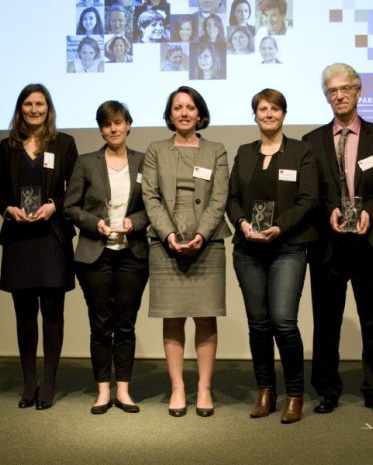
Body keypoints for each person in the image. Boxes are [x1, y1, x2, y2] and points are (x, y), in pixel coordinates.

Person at [302, 63, 373, 415]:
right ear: (326, 96)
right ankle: (327, 389)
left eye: (345, 88)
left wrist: (369, 212)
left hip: (370, 242)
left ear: (359, 91)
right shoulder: (311, 142)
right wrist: (329, 209)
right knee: (326, 322)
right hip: (328, 245)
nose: (339, 95)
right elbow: (308, 193)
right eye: (332, 90)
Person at [226, 89, 318, 423]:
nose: (268, 114)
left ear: (284, 113)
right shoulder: (244, 152)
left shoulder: (302, 151)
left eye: (275, 108)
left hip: (288, 248)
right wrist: (243, 223)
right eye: (262, 109)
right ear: (255, 115)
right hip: (248, 248)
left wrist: (278, 227)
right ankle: (266, 391)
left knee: (282, 321)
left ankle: (294, 394)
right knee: (259, 325)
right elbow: (232, 197)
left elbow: (308, 199)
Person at [141, 85, 232, 417]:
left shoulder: (217, 150)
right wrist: (167, 235)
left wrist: (202, 236)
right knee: (173, 317)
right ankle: (178, 388)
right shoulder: (155, 150)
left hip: (207, 245)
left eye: (190, 107)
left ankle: (204, 389)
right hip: (165, 246)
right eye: (177, 107)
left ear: (200, 113)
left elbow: (220, 198)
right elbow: (149, 196)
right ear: (169, 114)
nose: (183, 113)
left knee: (206, 317)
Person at [0, 83, 78, 410]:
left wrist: (54, 205)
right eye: (28, 104)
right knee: (24, 314)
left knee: (53, 312)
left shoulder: (64, 143)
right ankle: (29, 381)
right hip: (19, 238)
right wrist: (9, 210)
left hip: (52, 236)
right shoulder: (7, 146)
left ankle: (50, 382)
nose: (34, 109)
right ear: (20, 108)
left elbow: (75, 187)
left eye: (39, 104)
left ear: (48, 107)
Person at [64, 101, 149, 415]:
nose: (113, 129)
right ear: (101, 128)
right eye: (107, 124)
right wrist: (93, 223)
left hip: (132, 254)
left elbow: (151, 207)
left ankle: (124, 391)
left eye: (118, 122)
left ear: (128, 124)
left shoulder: (143, 162)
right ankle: (102, 391)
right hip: (94, 255)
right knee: (100, 326)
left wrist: (134, 223)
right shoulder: (86, 162)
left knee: (125, 325)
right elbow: (70, 206)